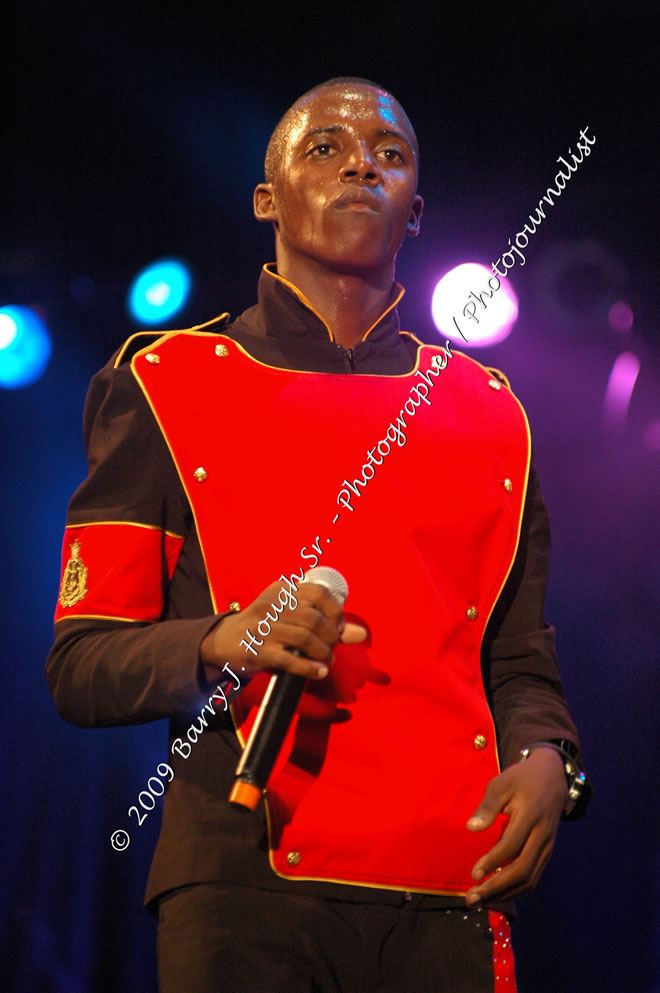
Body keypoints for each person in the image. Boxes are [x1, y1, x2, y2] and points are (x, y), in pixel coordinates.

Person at [46, 77, 589, 993]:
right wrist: (222, 638)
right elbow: (82, 663)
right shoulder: (166, 383)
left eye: (389, 155)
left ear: (415, 211)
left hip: (449, 881)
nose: (360, 168)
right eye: (324, 148)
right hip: (245, 886)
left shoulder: (491, 413)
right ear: (268, 199)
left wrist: (549, 762)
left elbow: (518, 657)